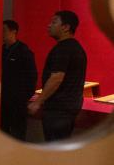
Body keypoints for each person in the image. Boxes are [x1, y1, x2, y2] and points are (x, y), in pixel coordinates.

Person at [29, 10, 87, 141]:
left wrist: (38, 102)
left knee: (54, 146)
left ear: (66, 27)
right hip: (68, 108)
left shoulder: (63, 49)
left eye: (54, 22)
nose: (49, 25)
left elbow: (57, 78)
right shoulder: (76, 47)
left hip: (58, 110)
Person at [0, 20, 37, 141]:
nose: (1, 34)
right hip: (2, 101)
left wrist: (23, 97)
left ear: (13, 31)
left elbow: (32, 77)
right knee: (2, 133)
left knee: (17, 134)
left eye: (4, 31)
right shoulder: (0, 50)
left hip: (17, 102)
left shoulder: (24, 52)